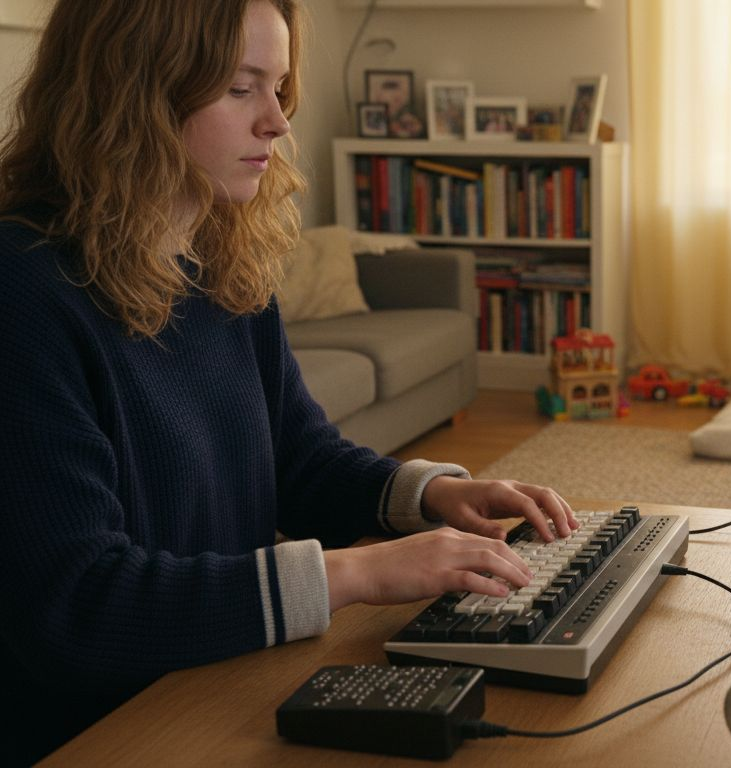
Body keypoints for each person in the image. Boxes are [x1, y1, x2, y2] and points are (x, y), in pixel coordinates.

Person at [0, 1, 576, 763]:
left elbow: (297, 460)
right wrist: (362, 570)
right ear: (132, 93)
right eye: (242, 89)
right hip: (104, 729)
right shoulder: (25, 293)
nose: (276, 121)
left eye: (280, 88)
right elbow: (78, 607)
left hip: (219, 674)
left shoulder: (218, 260)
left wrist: (432, 495)